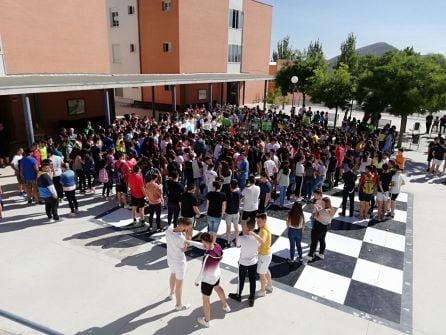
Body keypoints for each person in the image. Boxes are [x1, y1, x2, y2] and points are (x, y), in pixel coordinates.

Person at [188, 232, 231, 328]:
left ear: (206, 241)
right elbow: (205, 246)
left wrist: (196, 281)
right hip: (217, 274)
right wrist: (190, 242)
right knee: (218, 288)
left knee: (205, 300)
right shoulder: (217, 246)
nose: (202, 243)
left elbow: (203, 271)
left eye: (203, 241)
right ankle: (225, 306)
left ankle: (207, 321)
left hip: (207, 280)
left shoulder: (208, 256)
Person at [228, 219, 260, 307]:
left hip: (243, 262)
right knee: (252, 280)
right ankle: (251, 298)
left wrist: (238, 234)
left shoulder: (241, 238)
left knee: (241, 279)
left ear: (247, 227)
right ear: (254, 227)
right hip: (253, 262)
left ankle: (238, 295)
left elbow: (238, 246)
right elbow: (260, 244)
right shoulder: (258, 239)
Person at [165, 217, 193, 311]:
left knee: (172, 274)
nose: (187, 229)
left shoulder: (168, 230)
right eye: (187, 227)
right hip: (179, 262)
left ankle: (171, 293)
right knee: (179, 284)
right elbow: (184, 249)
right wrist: (186, 241)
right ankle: (179, 304)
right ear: (182, 225)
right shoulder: (181, 238)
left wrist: (183, 234)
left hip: (170, 258)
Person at [252, 213, 273, 297]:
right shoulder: (264, 228)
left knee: (261, 274)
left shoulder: (264, 231)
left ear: (264, 221)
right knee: (266, 270)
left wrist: (254, 234)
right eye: (257, 221)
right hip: (267, 254)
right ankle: (269, 286)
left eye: (259, 221)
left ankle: (263, 290)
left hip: (264, 255)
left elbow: (262, 241)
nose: (257, 223)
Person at [224, 179, 241, 247]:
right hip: (236, 212)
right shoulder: (238, 193)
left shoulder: (228, 193)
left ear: (230, 185)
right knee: (236, 228)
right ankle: (237, 242)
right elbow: (239, 203)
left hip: (228, 212)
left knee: (228, 228)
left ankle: (228, 242)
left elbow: (225, 203)